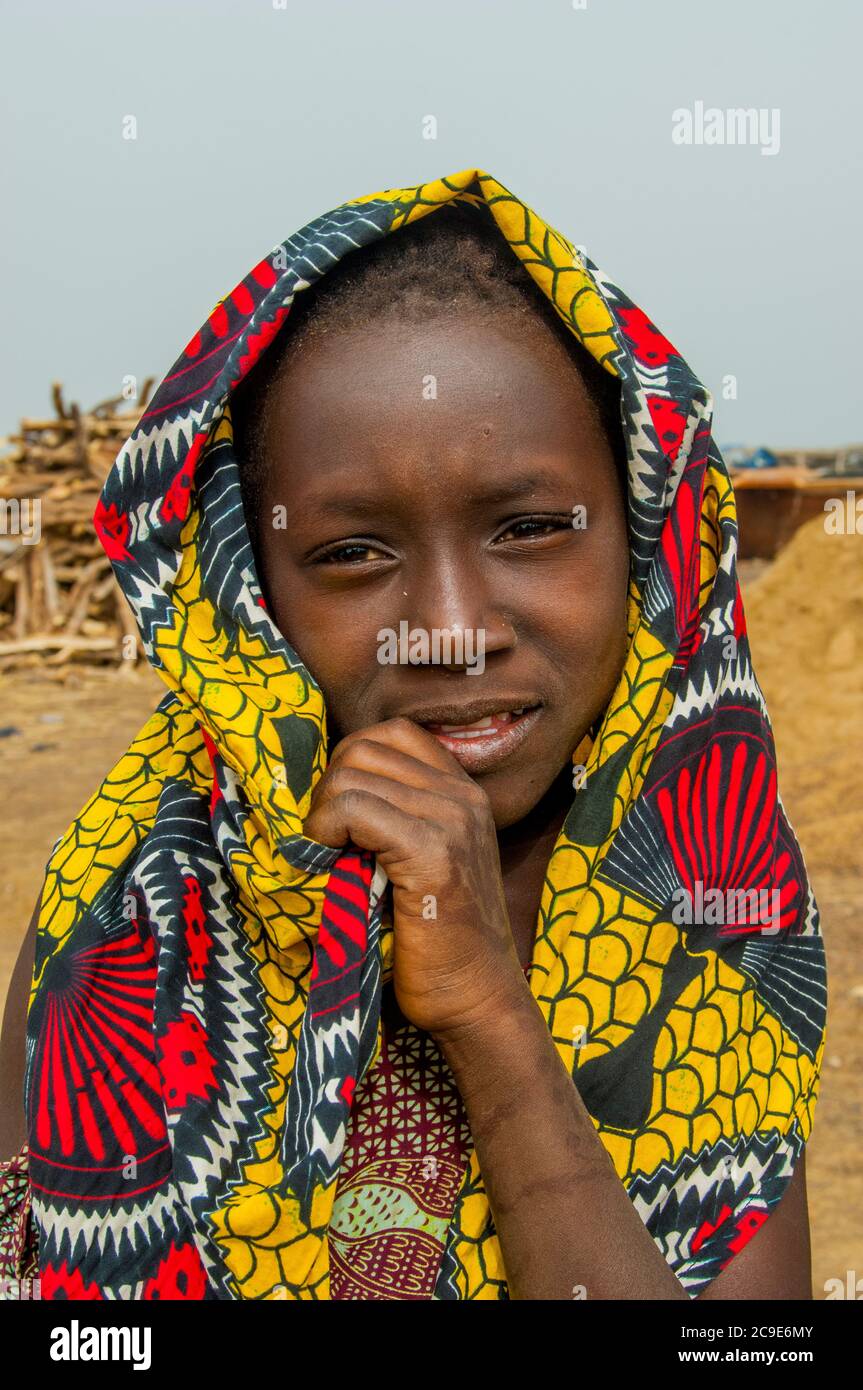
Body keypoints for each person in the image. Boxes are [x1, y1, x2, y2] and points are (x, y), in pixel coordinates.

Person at [0, 168, 826, 1301]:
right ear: (251, 591)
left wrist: (491, 1017)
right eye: (351, 553)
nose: (447, 632)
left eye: (530, 528)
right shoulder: (131, 899)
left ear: (642, 540)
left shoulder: (709, 890)